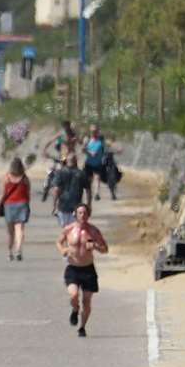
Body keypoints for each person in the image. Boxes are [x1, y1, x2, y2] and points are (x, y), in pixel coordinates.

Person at [58, 203, 109, 337]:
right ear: (75, 214)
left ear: (88, 215)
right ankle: (75, 309)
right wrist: (63, 249)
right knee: (74, 295)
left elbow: (105, 249)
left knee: (87, 301)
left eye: (85, 213)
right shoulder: (69, 229)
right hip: (73, 268)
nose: (83, 215)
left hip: (88, 270)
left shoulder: (93, 231)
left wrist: (96, 247)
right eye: (80, 213)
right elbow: (58, 241)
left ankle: (82, 327)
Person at [0, 158, 31, 260]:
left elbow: (2, 194)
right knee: (19, 229)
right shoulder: (25, 178)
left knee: (10, 232)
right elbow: (28, 193)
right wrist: (27, 204)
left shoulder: (6, 177)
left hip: (9, 205)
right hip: (22, 204)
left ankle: (9, 252)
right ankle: (19, 250)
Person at [46, 154, 89, 225]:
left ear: (66, 161)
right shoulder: (81, 174)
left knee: (65, 229)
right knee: (74, 228)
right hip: (76, 206)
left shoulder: (60, 173)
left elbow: (56, 190)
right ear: (76, 161)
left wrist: (54, 205)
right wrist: (88, 204)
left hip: (63, 206)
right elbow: (88, 190)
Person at [83, 124, 115, 200]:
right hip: (89, 162)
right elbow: (83, 149)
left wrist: (105, 155)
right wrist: (90, 152)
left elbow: (106, 148)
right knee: (89, 179)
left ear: (98, 131)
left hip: (98, 162)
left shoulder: (101, 140)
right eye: (93, 131)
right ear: (90, 131)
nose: (94, 132)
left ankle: (97, 193)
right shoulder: (87, 139)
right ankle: (89, 193)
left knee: (97, 178)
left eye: (96, 131)